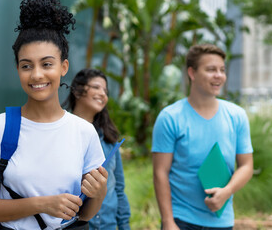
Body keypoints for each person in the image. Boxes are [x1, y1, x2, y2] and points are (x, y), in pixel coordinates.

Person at [0, 0, 108, 230]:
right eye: (26, 65)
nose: (36, 75)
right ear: (17, 69)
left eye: (46, 64)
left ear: (63, 67)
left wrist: (99, 192)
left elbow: (85, 215)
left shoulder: (84, 131)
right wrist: (42, 204)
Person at [152, 44, 254, 230]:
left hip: (222, 221)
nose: (219, 76)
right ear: (192, 73)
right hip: (180, 220)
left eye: (222, 70)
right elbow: (160, 172)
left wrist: (227, 191)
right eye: (211, 70)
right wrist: (168, 221)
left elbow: (246, 165)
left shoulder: (237, 116)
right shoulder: (170, 117)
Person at [64, 68, 131, 230]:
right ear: (78, 91)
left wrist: (124, 225)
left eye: (105, 91)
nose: (102, 94)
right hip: (75, 225)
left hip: (107, 225)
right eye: (96, 87)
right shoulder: (61, 134)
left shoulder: (109, 139)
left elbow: (119, 189)